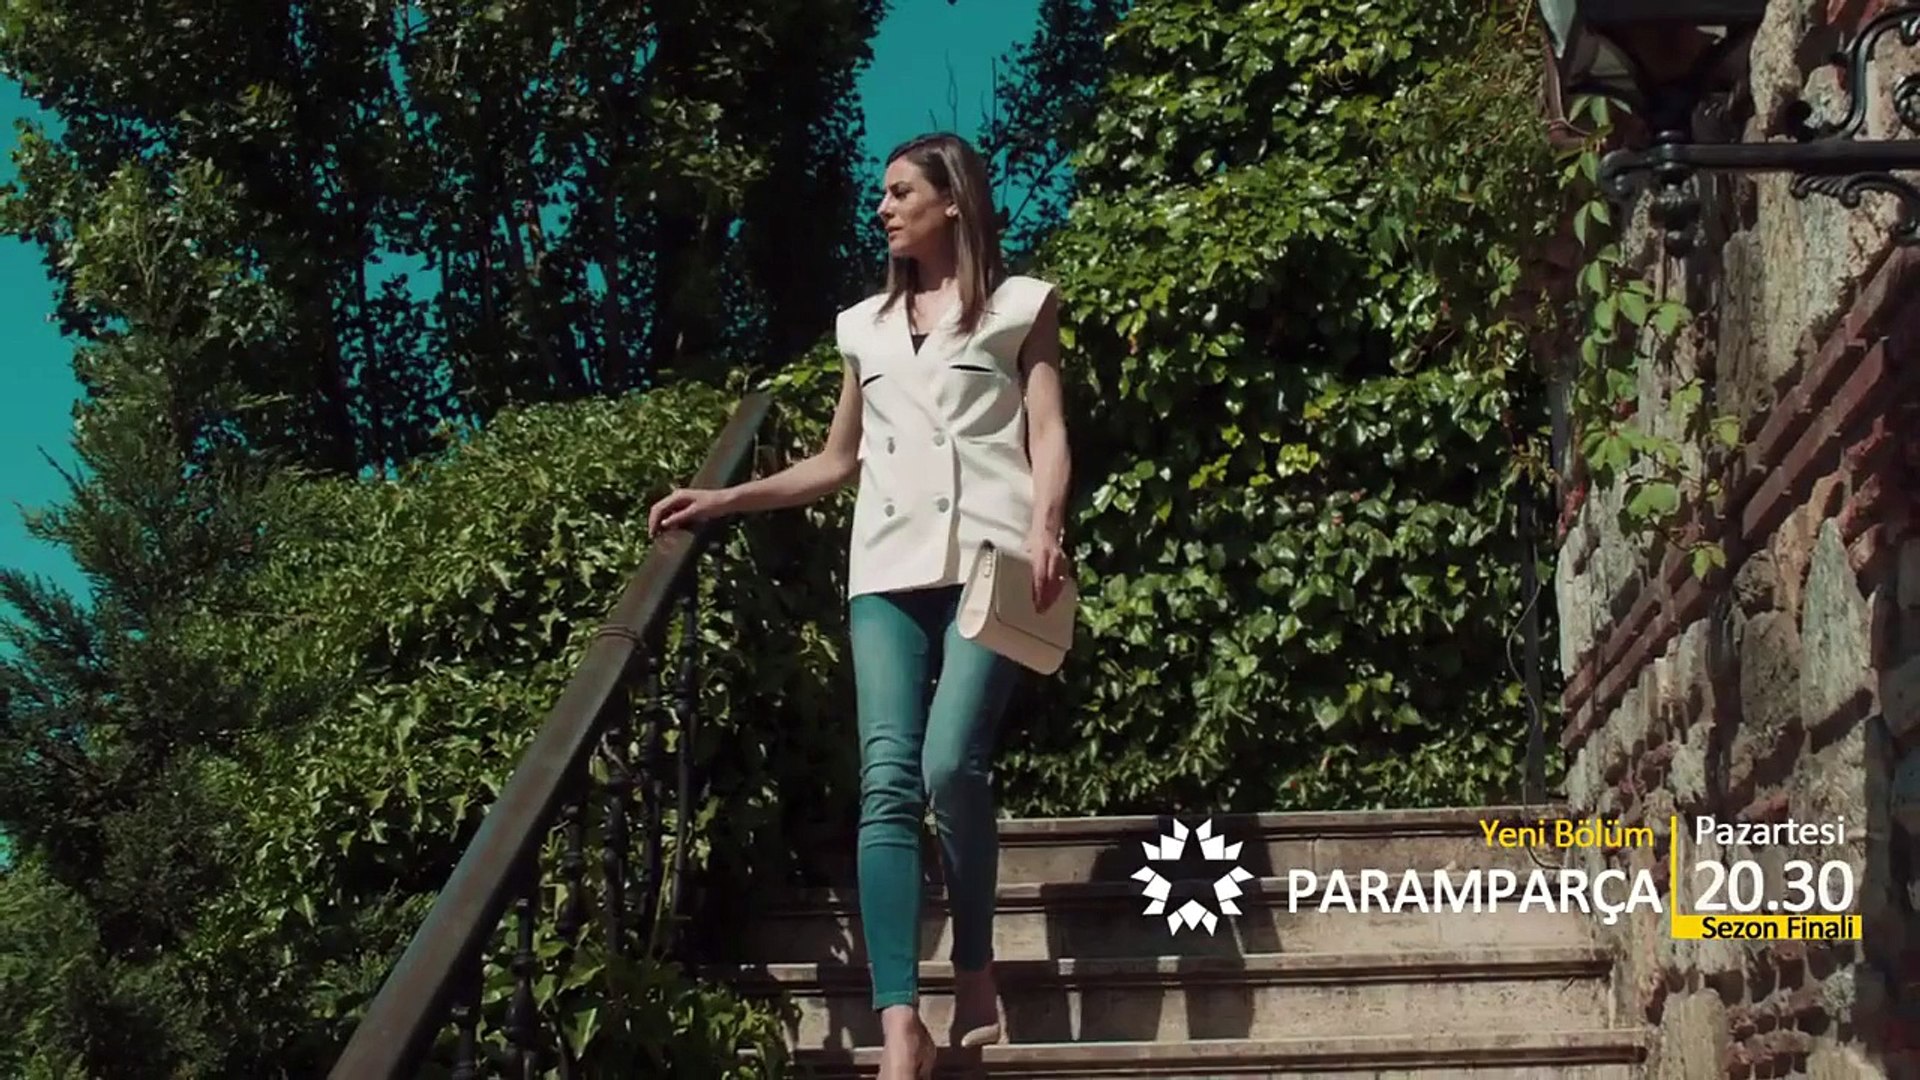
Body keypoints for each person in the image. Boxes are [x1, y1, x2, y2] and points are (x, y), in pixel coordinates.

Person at [647, 131, 1070, 1079]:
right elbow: (839, 460)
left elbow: (1047, 432)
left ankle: (973, 965)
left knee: (950, 765)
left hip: (990, 562)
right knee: (886, 783)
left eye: (900, 192)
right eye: (882, 194)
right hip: (884, 571)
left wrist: (1047, 525)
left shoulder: (1021, 307)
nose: (883, 209)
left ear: (951, 201)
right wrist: (724, 498)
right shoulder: (862, 328)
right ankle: (900, 1023)